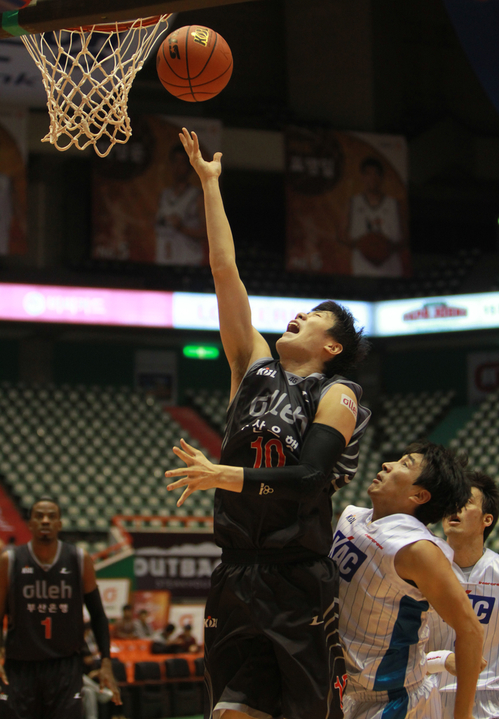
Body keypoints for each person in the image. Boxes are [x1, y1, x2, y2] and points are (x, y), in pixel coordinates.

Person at [165, 128, 372, 719]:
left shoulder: (339, 392)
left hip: (296, 580)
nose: (299, 315)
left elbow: (308, 476)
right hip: (235, 573)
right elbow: (223, 269)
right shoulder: (249, 365)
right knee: (229, 712)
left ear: (332, 347)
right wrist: (210, 185)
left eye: (314, 318)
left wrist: (223, 475)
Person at [330, 442, 483, 719]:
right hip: (342, 690)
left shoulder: (418, 549)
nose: (387, 465)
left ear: (420, 495)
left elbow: (471, 630)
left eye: (405, 464)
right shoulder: (350, 517)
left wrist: (462, 715)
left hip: (395, 702)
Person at [0, 496, 121, 718]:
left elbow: (98, 615)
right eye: (39, 516)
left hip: (65, 668)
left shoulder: (78, 559)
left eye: (51, 516)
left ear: (60, 524)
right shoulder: (10, 560)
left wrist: (105, 661)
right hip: (20, 667)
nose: (45, 520)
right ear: (30, 523)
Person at [427, 470, 499, 719]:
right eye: (452, 500)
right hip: (428, 698)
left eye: (466, 501)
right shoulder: (420, 567)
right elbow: (402, 648)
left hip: (491, 700)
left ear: (486, 520)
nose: (455, 506)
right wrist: (442, 660)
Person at [342, 157, 409, 277]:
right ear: (362, 177)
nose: (372, 178)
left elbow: (406, 236)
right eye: (368, 174)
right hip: (362, 270)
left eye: (376, 174)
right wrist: (363, 245)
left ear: (382, 177)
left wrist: (387, 247)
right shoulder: (353, 203)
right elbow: (341, 234)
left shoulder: (395, 204)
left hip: (391, 270)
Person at [155, 142, 208, 265]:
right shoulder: (163, 195)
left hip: (188, 262)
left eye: (182, 162)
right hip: (163, 261)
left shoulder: (197, 196)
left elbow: (207, 233)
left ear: (190, 167)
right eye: (175, 162)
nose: (178, 167)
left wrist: (181, 228)